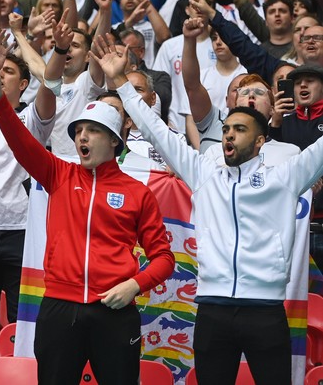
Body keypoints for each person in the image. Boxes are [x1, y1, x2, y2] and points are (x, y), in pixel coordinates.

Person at [98, 35, 323, 384]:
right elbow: (157, 131)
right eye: (227, 129)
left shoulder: (286, 176)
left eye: (240, 130)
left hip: (265, 312)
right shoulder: (204, 172)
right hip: (213, 310)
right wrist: (121, 84)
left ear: (261, 141)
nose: (229, 135)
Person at [0, 65, 174, 384]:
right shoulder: (58, 173)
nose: (82, 136)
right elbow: (19, 140)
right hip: (59, 309)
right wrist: (0, 101)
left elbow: (164, 259)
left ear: (114, 140)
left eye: (92, 130)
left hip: (114, 312)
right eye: (78, 130)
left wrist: (134, 285)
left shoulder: (137, 193)